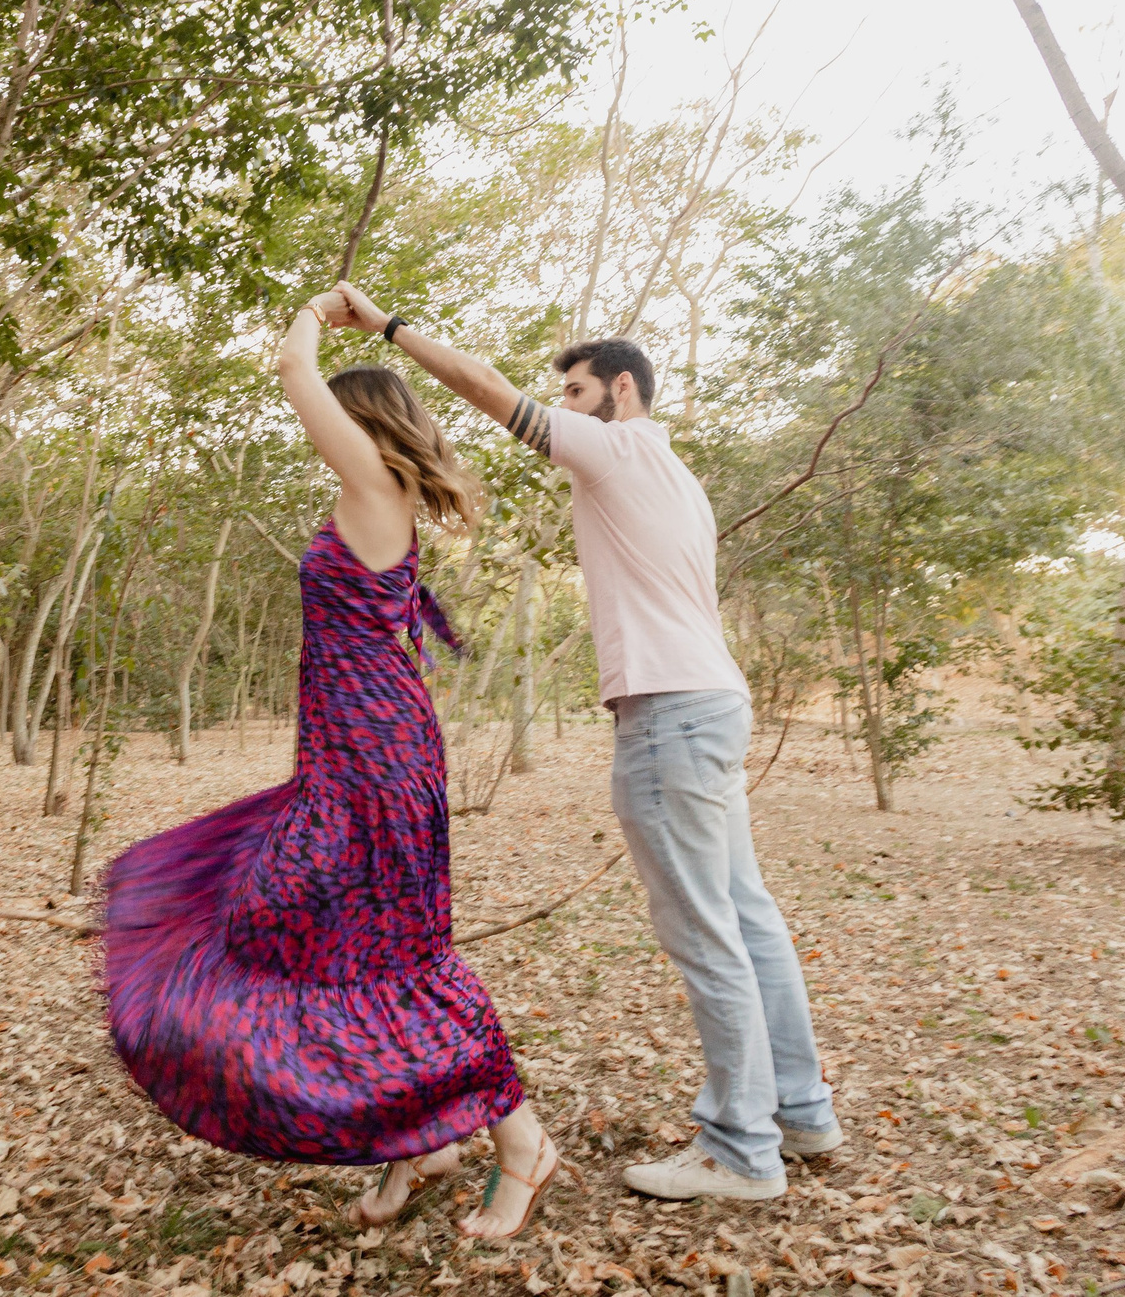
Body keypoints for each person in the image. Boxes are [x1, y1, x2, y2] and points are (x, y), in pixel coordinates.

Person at [320, 281, 840, 1203]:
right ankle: (799, 1114)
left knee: (706, 930)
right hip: (715, 700)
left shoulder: (617, 450)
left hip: (669, 714)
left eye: (573, 391)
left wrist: (389, 327)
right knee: (749, 917)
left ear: (621, 393)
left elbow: (484, 387)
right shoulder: (680, 476)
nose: (562, 406)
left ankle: (740, 1150)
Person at [102, 296, 572, 1240]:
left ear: (361, 426)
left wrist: (322, 313)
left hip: (374, 770)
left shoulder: (368, 487)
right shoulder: (374, 502)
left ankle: (521, 1140)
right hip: (355, 763)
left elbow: (290, 370)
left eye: (336, 420)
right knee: (346, 945)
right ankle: (419, 1139)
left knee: (387, 957)